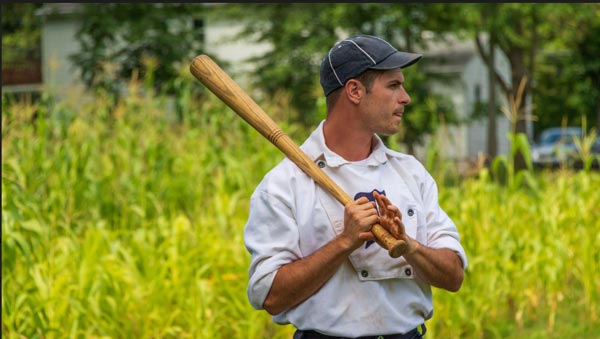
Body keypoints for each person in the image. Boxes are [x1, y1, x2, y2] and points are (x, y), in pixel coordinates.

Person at [244, 34, 468, 339]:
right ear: (354, 91)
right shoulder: (284, 185)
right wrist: (344, 243)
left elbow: (454, 276)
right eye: (393, 85)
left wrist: (407, 245)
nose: (406, 97)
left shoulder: (410, 173)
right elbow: (270, 296)